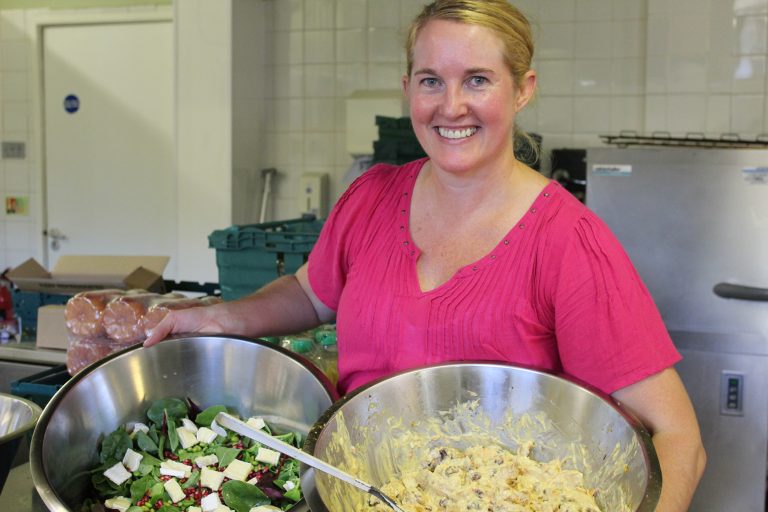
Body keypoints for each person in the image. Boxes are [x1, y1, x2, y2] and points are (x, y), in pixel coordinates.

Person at [146, 1, 706, 509]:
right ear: (407, 87)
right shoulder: (371, 197)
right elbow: (310, 293)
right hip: (355, 492)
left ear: (523, 89)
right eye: (431, 80)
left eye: (478, 80)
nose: (451, 105)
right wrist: (220, 317)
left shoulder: (567, 243)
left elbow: (679, 438)